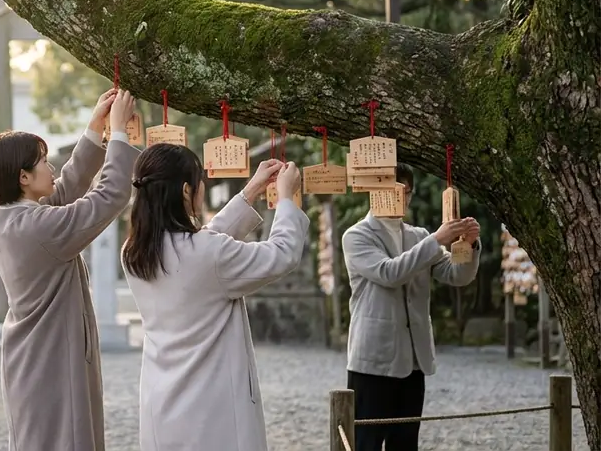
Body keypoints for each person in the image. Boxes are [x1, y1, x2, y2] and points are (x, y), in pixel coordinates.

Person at [122, 144, 309, 451]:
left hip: (162, 402)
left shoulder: (133, 253)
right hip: (213, 411)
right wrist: (287, 200)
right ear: (186, 191)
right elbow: (281, 255)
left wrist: (249, 193)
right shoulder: (207, 254)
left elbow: (203, 247)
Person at [0, 88, 138, 451]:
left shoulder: (6, 219)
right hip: (49, 359)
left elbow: (65, 190)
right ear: (23, 177)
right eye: (42, 162)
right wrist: (118, 134)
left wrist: (94, 130)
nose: (50, 168)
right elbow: (109, 197)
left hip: (35, 354)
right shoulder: (38, 227)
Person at [342, 164, 481, 451]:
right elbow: (388, 273)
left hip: (414, 359)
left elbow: (456, 275)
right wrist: (437, 240)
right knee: (365, 442)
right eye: (392, 190)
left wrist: (469, 245)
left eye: (405, 191)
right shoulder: (356, 236)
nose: (399, 197)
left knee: (405, 443)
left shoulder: (418, 236)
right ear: (374, 191)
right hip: (373, 359)